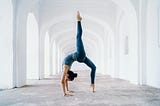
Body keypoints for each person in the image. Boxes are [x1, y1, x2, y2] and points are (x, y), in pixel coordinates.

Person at [61, 11, 96, 96]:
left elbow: (62, 82)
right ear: (68, 75)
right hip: (80, 57)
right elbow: (64, 81)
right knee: (93, 68)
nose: (66, 79)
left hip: (80, 56)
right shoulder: (66, 70)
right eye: (67, 79)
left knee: (78, 37)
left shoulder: (66, 68)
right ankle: (92, 84)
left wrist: (66, 93)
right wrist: (67, 91)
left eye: (67, 79)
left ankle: (78, 20)